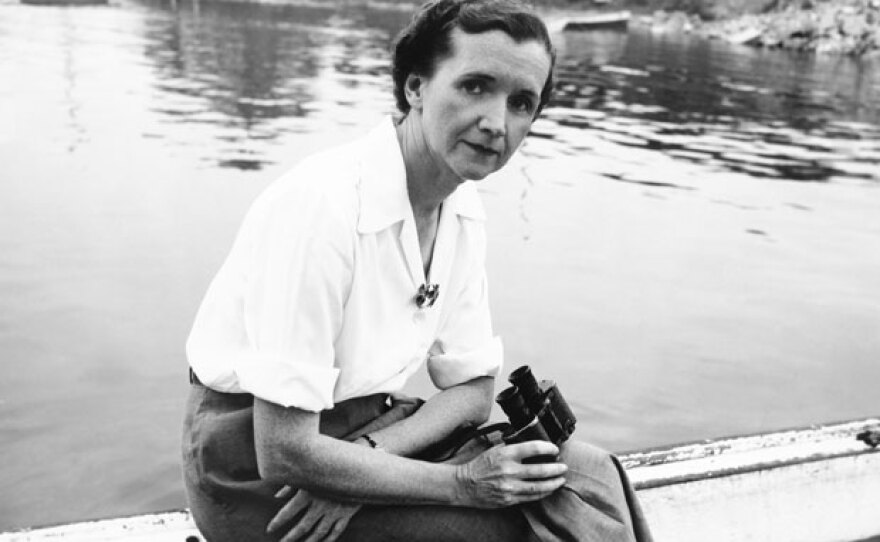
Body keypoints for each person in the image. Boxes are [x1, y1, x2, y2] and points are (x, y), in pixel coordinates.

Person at [182, 1, 654, 541]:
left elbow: (473, 390)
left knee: (591, 476)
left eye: (521, 103)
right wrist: (460, 483)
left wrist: (366, 462)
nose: (496, 123)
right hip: (258, 474)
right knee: (508, 531)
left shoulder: (460, 211)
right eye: (474, 86)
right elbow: (284, 451)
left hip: (368, 429)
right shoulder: (323, 206)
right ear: (415, 88)